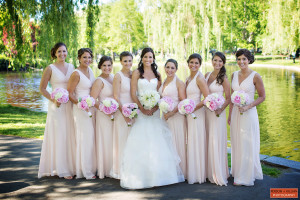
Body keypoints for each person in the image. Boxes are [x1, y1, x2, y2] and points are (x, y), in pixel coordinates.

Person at [120, 47, 184, 189]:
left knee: (157, 140)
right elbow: (133, 93)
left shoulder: (157, 73)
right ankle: (142, 176)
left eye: (150, 57)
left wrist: (156, 107)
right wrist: (141, 108)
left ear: (153, 59)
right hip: (142, 110)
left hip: (155, 111)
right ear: (141, 58)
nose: (148, 60)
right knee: (141, 139)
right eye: (146, 57)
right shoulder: (137, 73)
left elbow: (160, 93)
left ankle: (160, 175)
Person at [228, 48, 265, 186]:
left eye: (244, 59)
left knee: (246, 142)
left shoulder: (256, 76)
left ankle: (245, 176)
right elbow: (232, 97)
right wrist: (230, 114)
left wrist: (248, 106)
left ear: (249, 60)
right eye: (239, 59)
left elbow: (262, 96)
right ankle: (238, 171)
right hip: (236, 113)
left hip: (249, 113)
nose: (241, 61)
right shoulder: (233, 75)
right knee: (237, 141)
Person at [38, 42, 75, 179]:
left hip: (69, 105)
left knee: (70, 134)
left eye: (64, 51)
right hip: (56, 106)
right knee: (60, 135)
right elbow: (42, 89)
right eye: (59, 51)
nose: (62, 54)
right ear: (54, 53)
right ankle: (62, 169)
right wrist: (53, 99)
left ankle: (72, 166)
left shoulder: (71, 67)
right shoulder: (50, 68)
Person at [67, 48, 96, 179]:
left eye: (89, 57)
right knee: (85, 138)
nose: (87, 60)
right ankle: (85, 171)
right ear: (79, 58)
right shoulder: (76, 74)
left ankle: (90, 167)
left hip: (91, 107)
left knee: (90, 139)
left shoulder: (90, 70)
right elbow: (70, 93)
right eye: (84, 57)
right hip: (81, 109)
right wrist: (81, 104)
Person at [158, 59, 187, 178]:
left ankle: (180, 171)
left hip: (176, 116)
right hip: (165, 116)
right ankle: (169, 171)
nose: (169, 70)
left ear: (176, 69)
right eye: (167, 67)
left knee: (176, 142)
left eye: (172, 68)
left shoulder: (179, 83)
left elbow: (183, 101)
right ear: (164, 68)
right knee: (167, 142)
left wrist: (171, 114)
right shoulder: (163, 80)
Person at [205, 52, 230, 186]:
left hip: (217, 114)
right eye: (215, 60)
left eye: (220, 61)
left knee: (215, 140)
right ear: (212, 61)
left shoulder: (224, 78)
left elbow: (228, 97)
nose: (217, 63)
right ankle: (209, 171)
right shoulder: (207, 75)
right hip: (207, 112)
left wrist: (220, 109)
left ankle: (217, 172)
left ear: (223, 63)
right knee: (208, 140)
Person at [185, 53, 209, 184]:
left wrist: (193, 107)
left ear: (200, 65)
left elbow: (207, 98)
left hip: (197, 113)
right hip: (189, 113)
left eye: (196, 63)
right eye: (191, 62)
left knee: (196, 140)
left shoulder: (199, 78)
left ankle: (198, 174)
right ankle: (192, 171)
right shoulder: (189, 78)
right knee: (192, 140)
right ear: (188, 63)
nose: (193, 65)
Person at [110, 51, 133, 179]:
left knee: (133, 141)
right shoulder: (118, 76)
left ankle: (132, 168)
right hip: (122, 112)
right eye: (125, 61)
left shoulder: (134, 74)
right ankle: (121, 170)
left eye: (130, 61)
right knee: (123, 140)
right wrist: (124, 112)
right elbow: (116, 97)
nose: (128, 63)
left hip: (134, 112)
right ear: (120, 62)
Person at [90, 56, 114, 179]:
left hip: (114, 114)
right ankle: (105, 169)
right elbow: (93, 100)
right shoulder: (99, 81)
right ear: (100, 66)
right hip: (104, 115)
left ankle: (114, 167)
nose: (107, 68)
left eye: (109, 65)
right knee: (105, 140)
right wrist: (106, 110)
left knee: (113, 141)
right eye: (104, 65)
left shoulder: (114, 77)